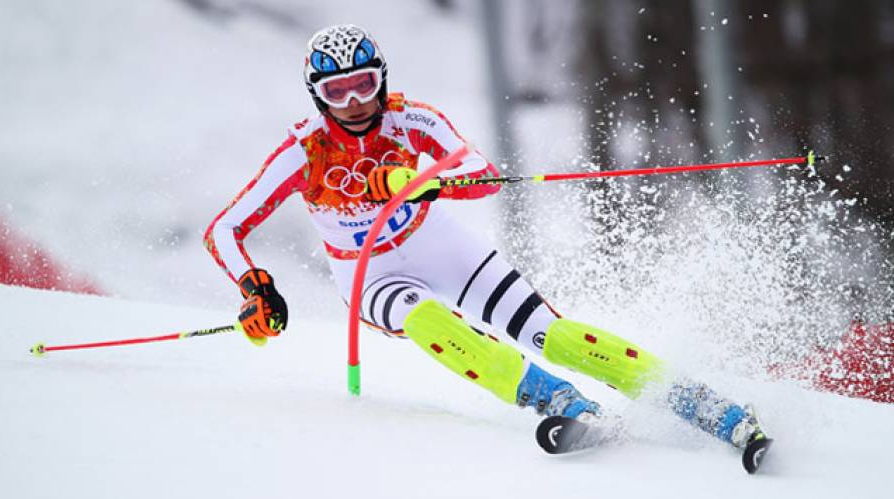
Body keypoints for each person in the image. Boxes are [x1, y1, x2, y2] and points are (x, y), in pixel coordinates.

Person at [204, 24, 767, 452]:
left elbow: (482, 170)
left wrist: (421, 180)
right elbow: (225, 229)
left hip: (440, 245)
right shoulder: (303, 152)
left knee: (555, 335)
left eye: (364, 85)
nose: (354, 103)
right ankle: (558, 400)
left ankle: (696, 400)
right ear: (316, 96)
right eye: (337, 92)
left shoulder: (410, 121)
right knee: (428, 322)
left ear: (383, 81)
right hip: (368, 272)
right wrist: (257, 287)